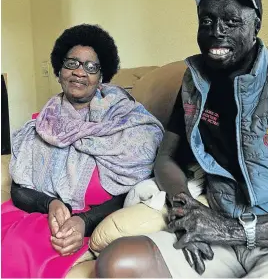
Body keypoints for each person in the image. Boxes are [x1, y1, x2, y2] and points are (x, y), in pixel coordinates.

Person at [95, 0, 268, 278]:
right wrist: (183, 207)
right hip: (220, 233)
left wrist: (231, 230)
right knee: (117, 262)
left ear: (256, 26)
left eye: (232, 21)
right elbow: (167, 157)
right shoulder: (196, 83)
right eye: (206, 21)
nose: (216, 31)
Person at [1, 24, 164, 278]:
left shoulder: (128, 123)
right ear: (59, 70)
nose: (79, 72)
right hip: (38, 216)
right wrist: (50, 203)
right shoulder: (42, 124)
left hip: (91, 224)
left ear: (101, 77)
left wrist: (85, 222)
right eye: (72, 63)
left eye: (91, 67)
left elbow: (136, 189)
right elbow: (18, 188)